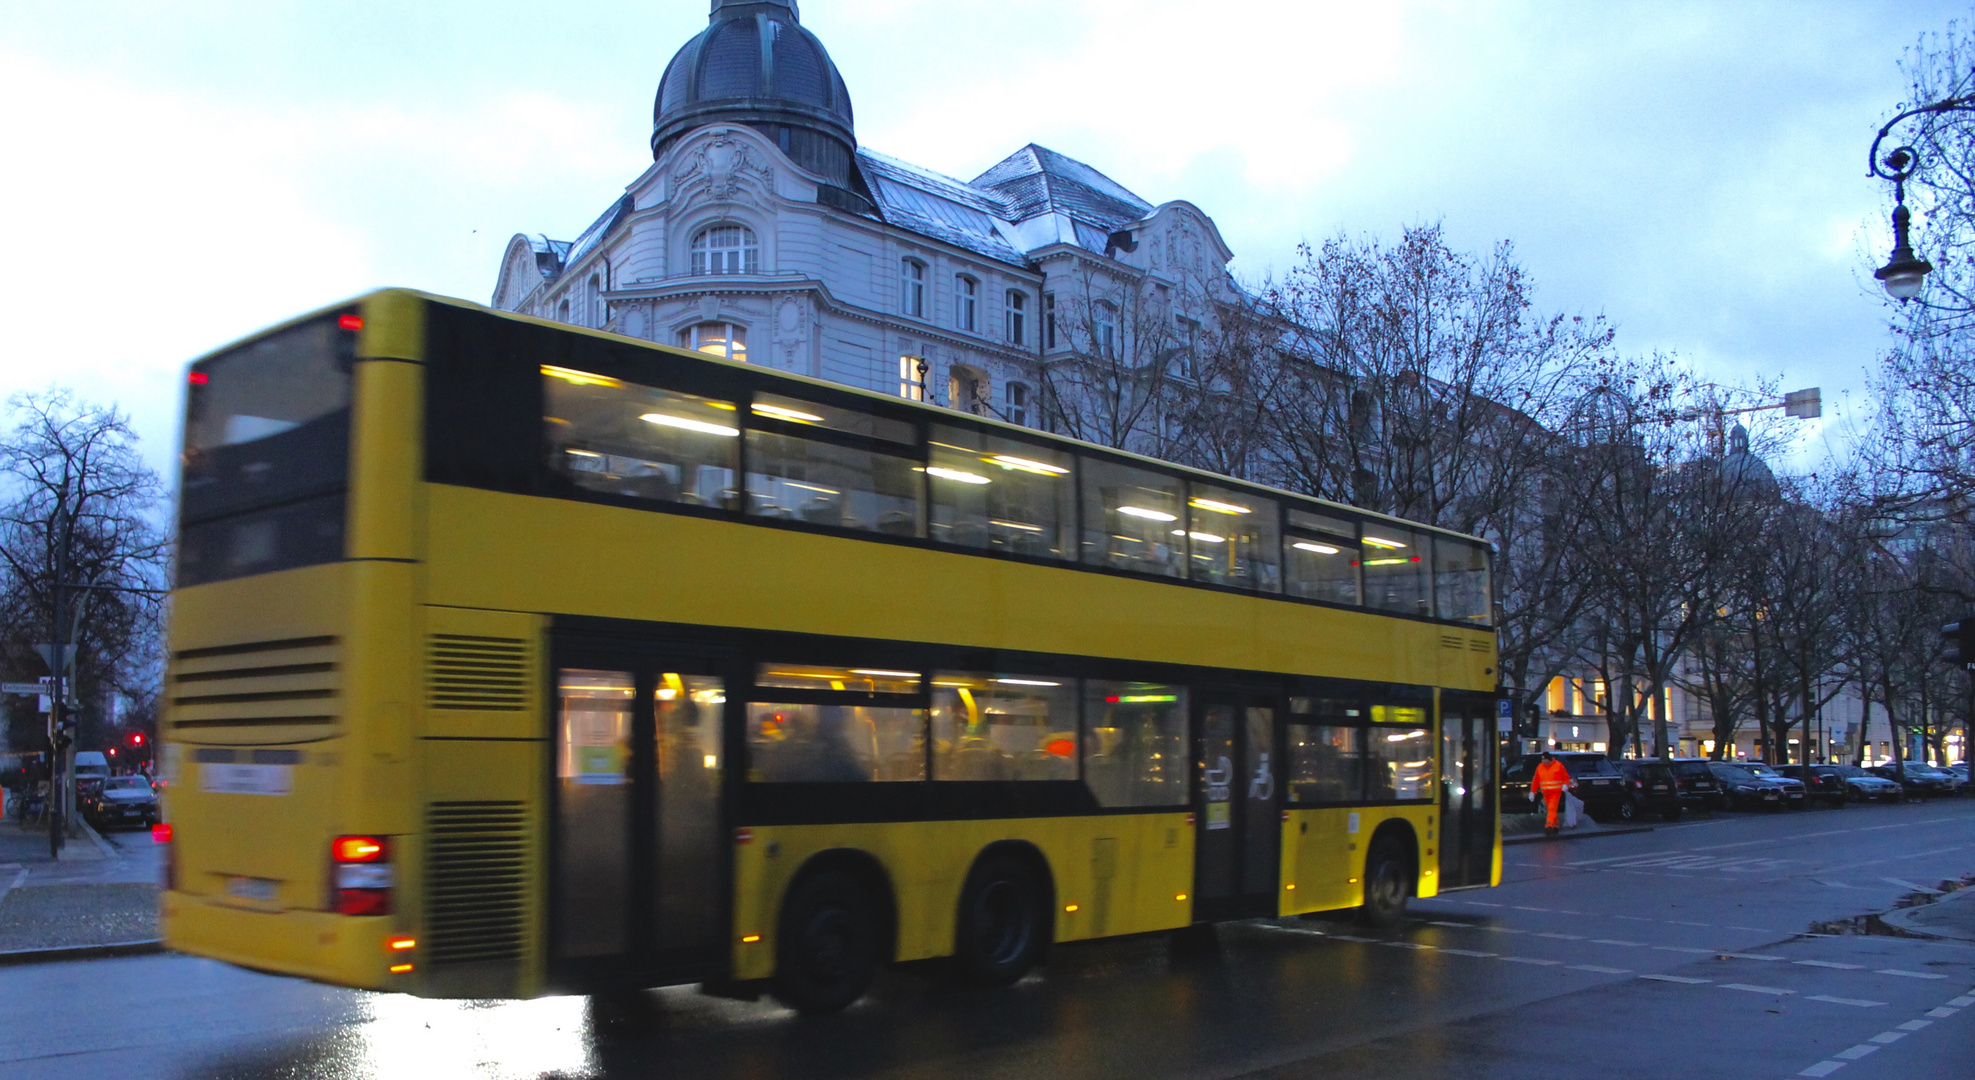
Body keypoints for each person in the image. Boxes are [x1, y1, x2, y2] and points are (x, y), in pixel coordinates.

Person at [1532, 751, 1575, 836]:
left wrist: (1565, 785)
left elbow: (1566, 777)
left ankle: (1548, 825)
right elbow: (1536, 780)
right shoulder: (1540, 767)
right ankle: (1555, 825)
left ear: (1549, 759)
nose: (1543, 761)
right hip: (1545, 792)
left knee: (1552, 808)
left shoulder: (1558, 766)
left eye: (1544, 760)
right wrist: (1533, 791)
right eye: (1542, 760)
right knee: (1550, 809)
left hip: (1556, 792)